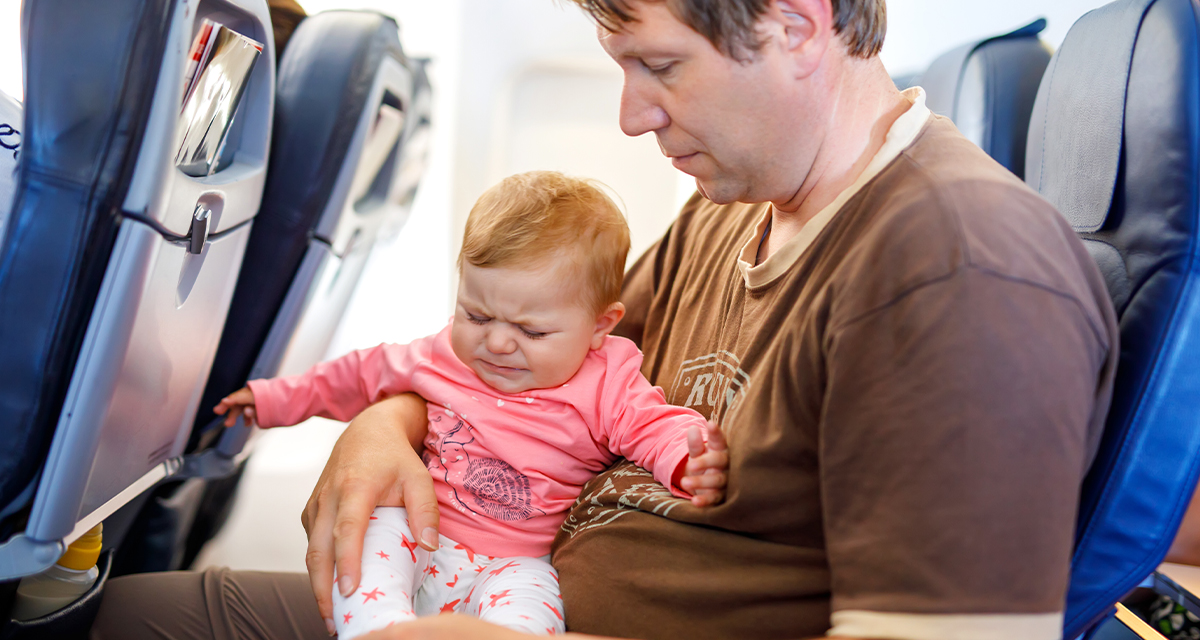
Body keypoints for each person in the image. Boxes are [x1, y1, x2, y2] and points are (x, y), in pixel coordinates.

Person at [92, 1, 1119, 639]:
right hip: (490, 588)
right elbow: (534, 368)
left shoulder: (955, 269)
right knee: (112, 617)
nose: (632, 115)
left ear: (797, 24)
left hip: (526, 622)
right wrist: (384, 421)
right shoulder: (732, 211)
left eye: (661, 67)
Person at [210, 171, 728, 639]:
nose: (498, 343)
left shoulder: (606, 381)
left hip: (518, 562)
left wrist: (687, 458)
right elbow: (355, 376)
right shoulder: (441, 357)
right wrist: (271, 398)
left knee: (535, 612)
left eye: (531, 330)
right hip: (422, 528)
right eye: (476, 316)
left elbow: (652, 424)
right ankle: (377, 631)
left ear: (600, 326)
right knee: (368, 542)